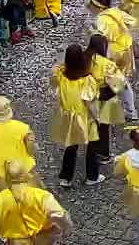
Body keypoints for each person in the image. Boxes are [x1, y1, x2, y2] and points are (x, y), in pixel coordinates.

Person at [51, 45, 100, 187]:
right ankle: (92, 176)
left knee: (71, 146)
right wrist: (97, 117)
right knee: (91, 146)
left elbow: (55, 70)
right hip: (85, 117)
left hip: (68, 116)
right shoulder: (86, 80)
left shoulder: (61, 75)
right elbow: (89, 102)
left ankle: (66, 177)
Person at [0, 160, 73, 245]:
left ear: (7, 177)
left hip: (15, 241)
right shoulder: (41, 196)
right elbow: (59, 215)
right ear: (26, 175)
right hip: (41, 239)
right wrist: (66, 229)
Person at [0, 95, 38, 192]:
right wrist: (32, 152)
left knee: (7, 192)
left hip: (3, 168)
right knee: (30, 191)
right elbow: (30, 147)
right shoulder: (22, 127)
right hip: (24, 166)